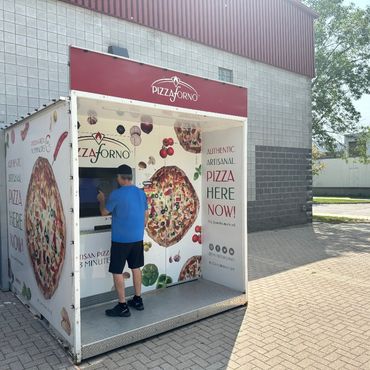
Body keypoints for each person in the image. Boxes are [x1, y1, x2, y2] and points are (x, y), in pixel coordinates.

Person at [97, 164, 148, 317]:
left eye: (117, 177)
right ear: (130, 177)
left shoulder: (116, 194)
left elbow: (104, 212)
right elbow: (146, 215)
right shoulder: (141, 193)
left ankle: (122, 306)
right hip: (137, 238)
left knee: (117, 271)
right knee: (136, 267)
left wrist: (101, 199)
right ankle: (138, 300)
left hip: (121, 240)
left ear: (119, 178)